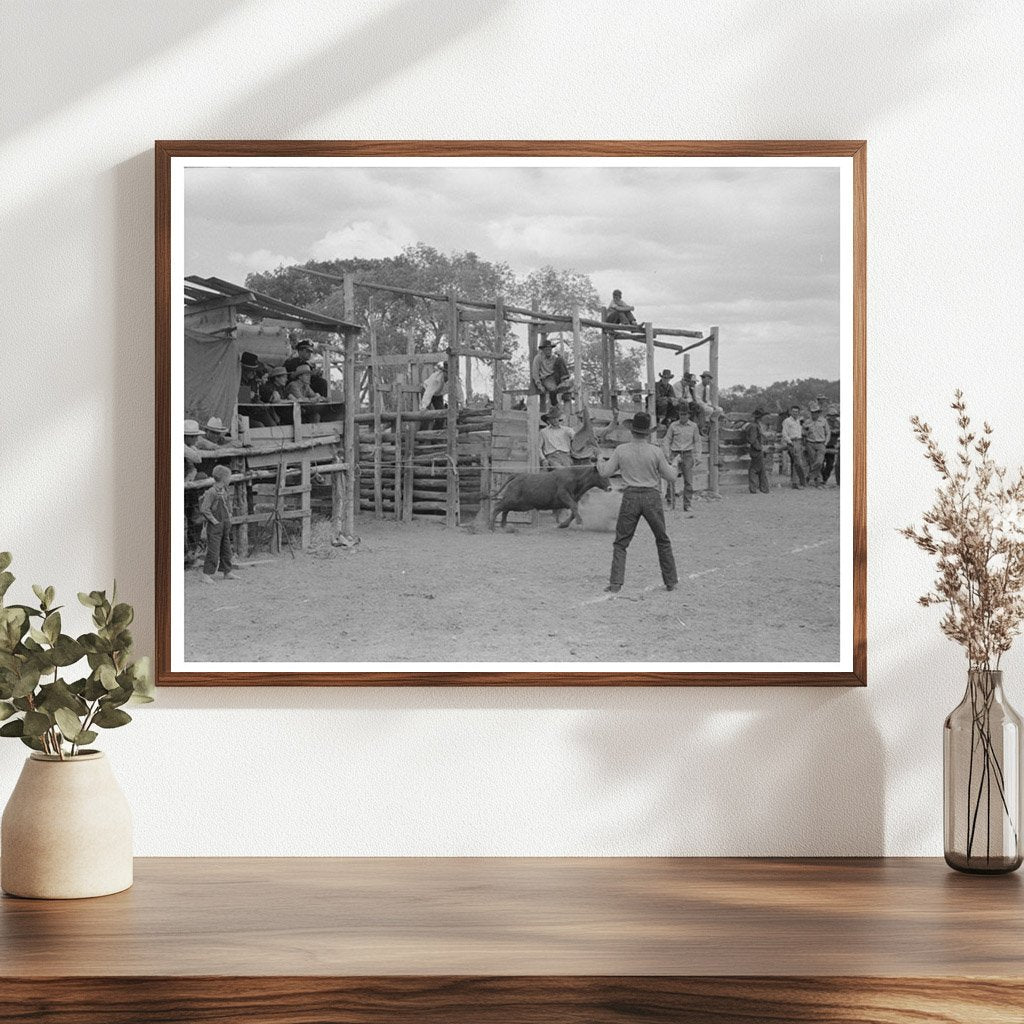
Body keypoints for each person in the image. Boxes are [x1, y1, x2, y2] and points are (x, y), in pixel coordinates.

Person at [598, 411, 679, 593]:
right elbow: (672, 477)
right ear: (648, 432)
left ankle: (615, 583)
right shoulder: (655, 451)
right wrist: (675, 464)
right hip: (651, 496)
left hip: (630, 497)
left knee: (621, 543)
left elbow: (604, 473)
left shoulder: (621, 450)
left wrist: (598, 460)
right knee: (662, 539)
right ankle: (671, 581)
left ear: (631, 431)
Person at [199, 465, 237, 583]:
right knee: (214, 551)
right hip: (215, 526)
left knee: (226, 549)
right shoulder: (212, 492)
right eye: (229, 477)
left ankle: (227, 571)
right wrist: (214, 521)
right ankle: (206, 574)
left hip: (225, 525)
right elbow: (205, 509)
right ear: (224, 478)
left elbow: (227, 505)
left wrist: (229, 515)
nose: (230, 479)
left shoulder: (224, 491)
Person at [661, 404, 699, 511]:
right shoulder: (673, 426)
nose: (683, 417)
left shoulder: (693, 426)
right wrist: (667, 454)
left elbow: (697, 441)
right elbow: (667, 440)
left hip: (687, 453)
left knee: (688, 480)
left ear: (688, 415)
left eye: (685, 414)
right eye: (681, 414)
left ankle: (687, 504)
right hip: (675, 453)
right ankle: (670, 503)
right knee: (671, 478)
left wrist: (698, 456)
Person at [780, 405, 808, 489]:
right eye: (793, 411)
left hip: (799, 442)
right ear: (790, 412)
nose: (795, 413)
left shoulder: (799, 421)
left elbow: (802, 431)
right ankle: (800, 482)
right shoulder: (787, 421)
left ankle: (796, 482)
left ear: (799, 412)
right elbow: (784, 433)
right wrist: (790, 442)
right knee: (798, 462)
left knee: (796, 462)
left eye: (797, 411)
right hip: (792, 442)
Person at [804, 401, 831, 487]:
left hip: (821, 443)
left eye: (816, 412)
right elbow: (803, 432)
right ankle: (818, 480)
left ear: (818, 413)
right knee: (813, 461)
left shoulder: (823, 421)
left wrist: (826, 442)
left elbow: (828, 432)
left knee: (819, 461)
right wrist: (806, 431)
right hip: (810, 443)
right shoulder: (807, 421)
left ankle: (810, 476)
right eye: (812, 412)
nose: (814, 414)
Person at [745, 407, 770, 494]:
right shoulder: (754, 426)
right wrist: (759, 447)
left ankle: (762, 488)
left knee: (759, 468)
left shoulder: (754, 425)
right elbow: (752, 439)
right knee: (755, 469)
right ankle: (756, 488)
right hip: (756, 450)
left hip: (756, 449)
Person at [531, 338, 560, 409]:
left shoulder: (554, 357)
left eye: (550, 349)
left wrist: (559, 357)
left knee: (560, 359)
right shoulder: (538, 358)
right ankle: (554, 405)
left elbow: (559, 367)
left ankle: (565, 380)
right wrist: (539, 385)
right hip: (546, 378)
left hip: (555, 376)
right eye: (547, 349)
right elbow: (535, 373)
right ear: (543, 350)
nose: (549, 351)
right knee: (552, 388)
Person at [822, 404, 840, 485]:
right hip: (823, 443)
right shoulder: (825, 422)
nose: (833, 417)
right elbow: (825, 431)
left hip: (832, 445)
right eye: (831, 415)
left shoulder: (838, 422)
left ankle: (825, 479)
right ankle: (819, 479)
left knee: (830, 464)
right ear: (829, 415)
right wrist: (833, 431)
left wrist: (836, 431)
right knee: (820, 463)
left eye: (834, 415)